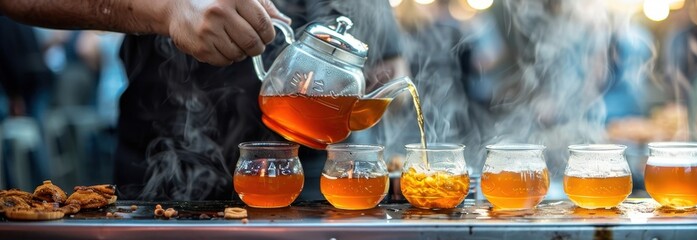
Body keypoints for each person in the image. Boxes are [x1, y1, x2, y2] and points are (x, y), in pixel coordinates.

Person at [0, 0, 406, 200]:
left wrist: (349, 90)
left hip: (317, 183)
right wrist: (166, 9)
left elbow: (390, 64)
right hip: (164, 170)